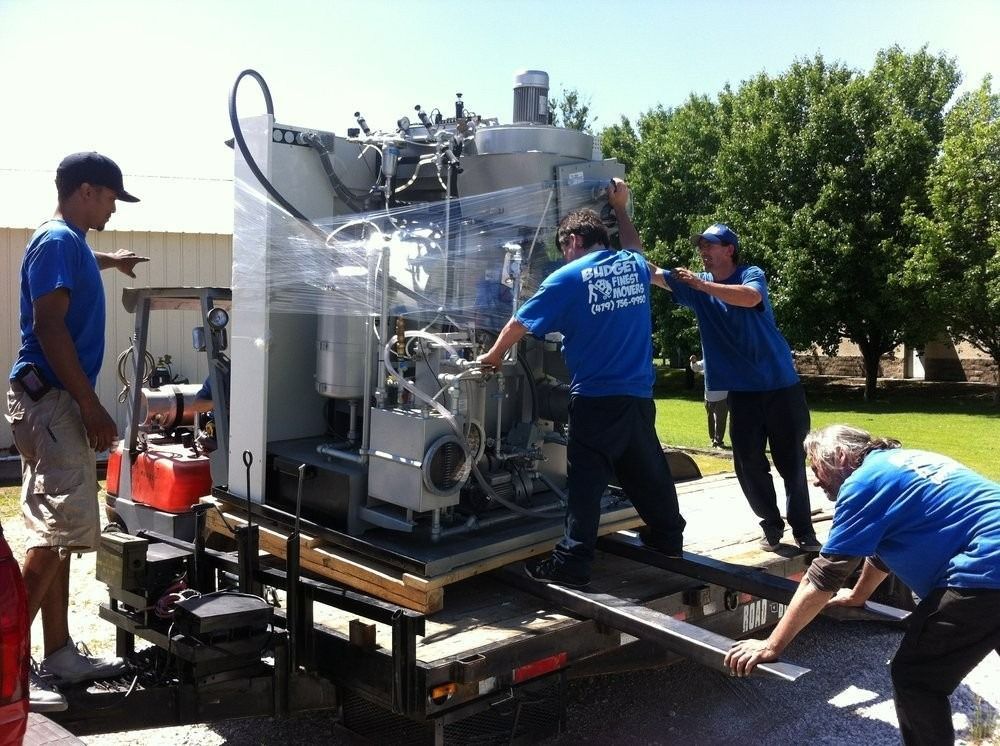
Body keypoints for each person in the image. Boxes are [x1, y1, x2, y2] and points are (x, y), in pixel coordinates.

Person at [725, 425, 1000, 746]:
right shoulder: (906, 460)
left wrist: (771, 645)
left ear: (841, 456)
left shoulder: (863, 484)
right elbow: (885, 550)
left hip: (986, 568)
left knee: (917, 678)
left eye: (817, 467)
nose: (815, 479)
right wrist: (859, 596)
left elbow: (825, 575)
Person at [476, 180, 686, 588]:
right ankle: (668, 537)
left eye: (563, 247)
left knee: (586, 483)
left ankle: (573, 559)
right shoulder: (634, 265)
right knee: (647, 470)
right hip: (639, 395)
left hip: (596, 397)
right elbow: (635, 245)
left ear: (573, 240)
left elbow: (520, 321)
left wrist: (493, 356)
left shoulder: (567, 278)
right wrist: (622, 209)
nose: (563, 255)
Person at [6, 152, 148, 708]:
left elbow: (77, 264)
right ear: (86, 190)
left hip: (48, 401)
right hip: (56, 402)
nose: (115, 205)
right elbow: (49, 324)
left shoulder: (71, 243)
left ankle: (58, 652)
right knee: (51, 535)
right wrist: (91, 407)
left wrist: (109, 260)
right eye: (112, 196)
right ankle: (9, 670)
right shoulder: (58, 242)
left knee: (59, 531)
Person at [662, 223, 819, 552]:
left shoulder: (750, 274)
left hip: (780, 386)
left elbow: (750, 298)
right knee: (747, 462)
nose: (703, 251)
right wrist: (619, 221)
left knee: (791, 461)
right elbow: (652, 273)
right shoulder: (697, 284)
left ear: (729, 249)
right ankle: (771, 524)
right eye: (701, 246)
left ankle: (804, 530)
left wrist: (701, 287)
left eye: (710, 245)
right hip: (743, 393)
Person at [689, 354, 728, 448]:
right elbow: (696, 367)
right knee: (710, 418)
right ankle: (713, 439)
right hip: (708, 396)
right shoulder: (707, 359)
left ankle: (718, 441)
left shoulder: (725, 360)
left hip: (722, 395)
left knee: (720, 420)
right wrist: (693, 361)